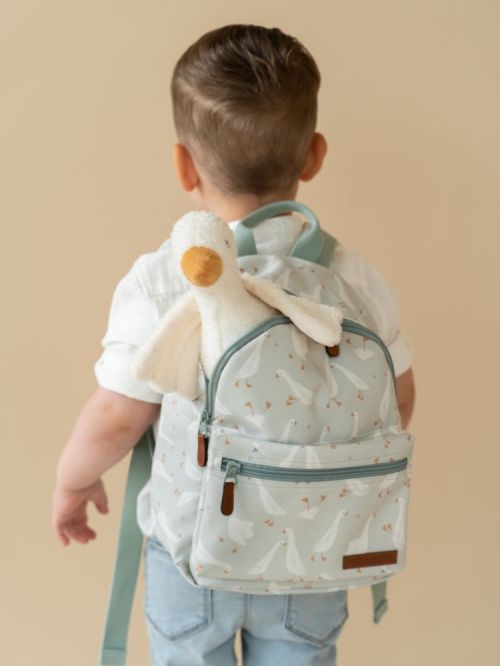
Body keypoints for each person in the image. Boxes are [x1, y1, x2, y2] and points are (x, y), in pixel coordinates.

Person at [52, 24, 416, 666]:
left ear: (183, 165)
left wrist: (71, 483)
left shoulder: (163, 280)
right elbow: (398, 401)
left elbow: (116, 416)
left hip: (195, 556)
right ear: (314, 156)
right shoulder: (353, 280)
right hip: (313, 555)